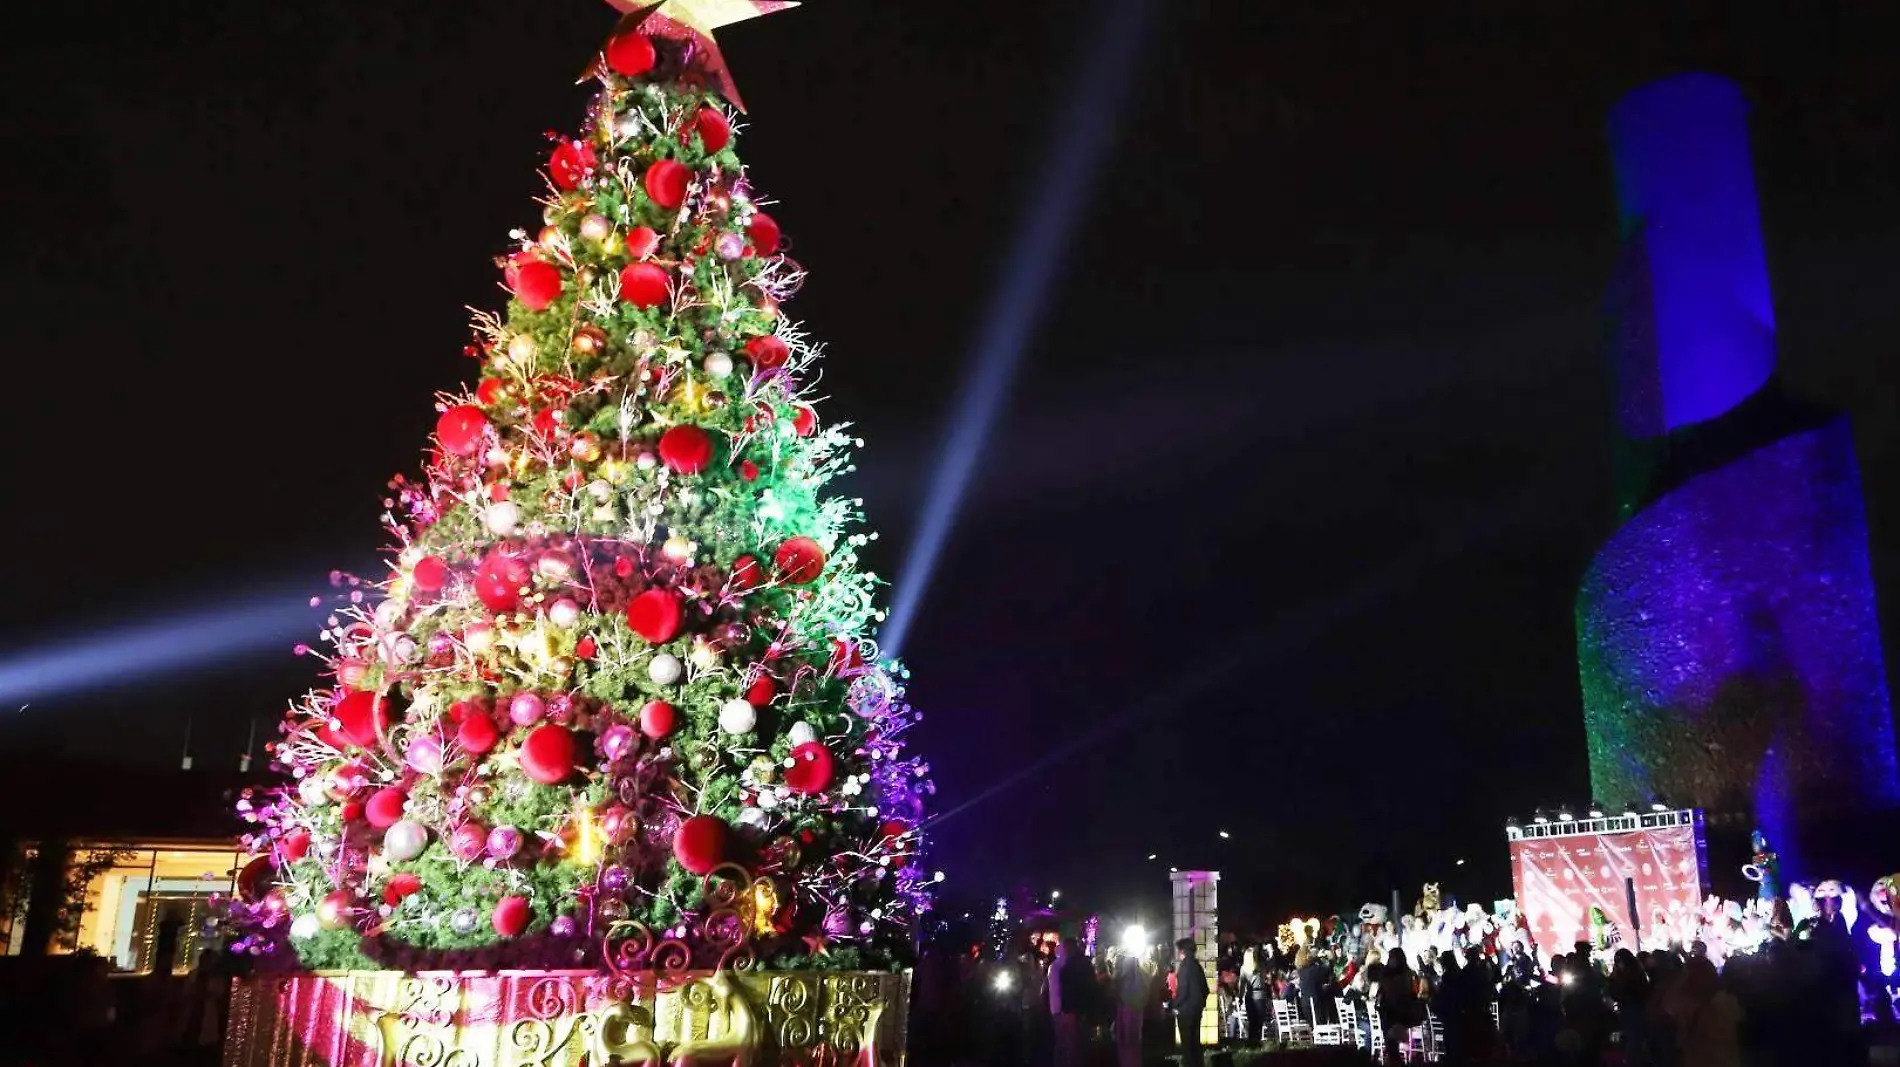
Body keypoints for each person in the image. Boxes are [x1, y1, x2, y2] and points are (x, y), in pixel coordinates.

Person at [1375, 947, 1419, 1065]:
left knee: (1392, 1044)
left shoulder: (1404, 974)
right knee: (1391, 1046)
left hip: (1396, 1012)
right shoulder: (1390, 973)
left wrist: (1384, 978)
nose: (1389, 961)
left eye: (1392, 958)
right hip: (1388, 1011)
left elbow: (1395, 989)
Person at [1173, 938, 1209, 1067]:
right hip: (1196, 1009)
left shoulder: (1184, 966)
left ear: (1183, 951)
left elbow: (1183, 989)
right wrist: (1201, 1003)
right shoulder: (1197, 965)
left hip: (1185, 1010)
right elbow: (1206, 989)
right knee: (1195, 1043)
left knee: (1187, 1045)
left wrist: (1174, 1004)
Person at [1113, 952, 1147, 1067]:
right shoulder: (1140, 980)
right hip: (1133, 1014)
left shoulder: (1125, 981)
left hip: (1127, 1014)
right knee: (1132, 1043)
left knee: (1128, 1043)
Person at [1239, 946, 1271, 1042]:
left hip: (1249, 996)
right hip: (1260, 995)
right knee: (1259, 1022)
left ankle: (1252, 1042)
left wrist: (1240, 997)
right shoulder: (1260, 967)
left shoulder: (1243, 969)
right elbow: (1269, 964)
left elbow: (1242, 985)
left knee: (1252, 1021)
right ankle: (1257, 1041)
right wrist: (1269, 951)